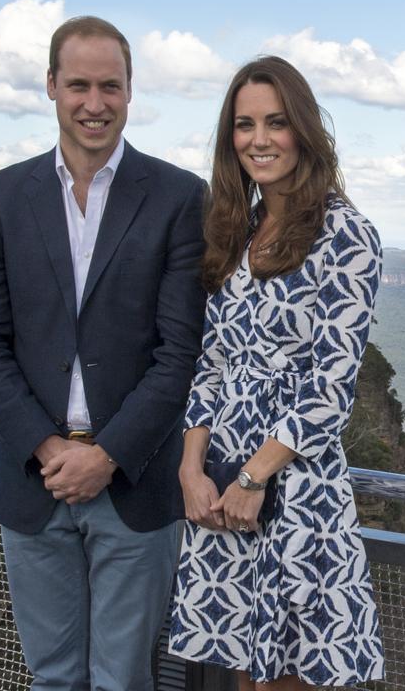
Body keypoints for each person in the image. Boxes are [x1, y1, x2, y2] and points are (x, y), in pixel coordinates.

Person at [0, 16, 206, 691]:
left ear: (130, 92)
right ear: (50, 87)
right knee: (54, 679)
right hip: (34, 481)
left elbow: (180, 352)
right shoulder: (1, 198)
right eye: (79, 85)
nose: (94, 103)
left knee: (125, 680)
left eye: (109, 86)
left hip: (134, 482)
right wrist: (47, 449)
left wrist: (107, 455)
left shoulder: (179, 198)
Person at [168, 56, 385, 690]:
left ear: (305, 132)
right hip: (221, 487)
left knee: (288, 676)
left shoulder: (346, 236)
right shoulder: (235, 231)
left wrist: (254, 476)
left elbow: (328, 385)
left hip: (292, 487)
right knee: (245, 673)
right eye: (244, 125)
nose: (259, 140)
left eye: (276, 122)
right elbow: (211, 364)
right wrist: (190, 468)